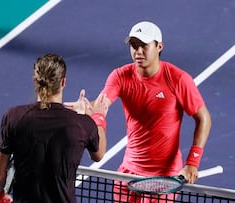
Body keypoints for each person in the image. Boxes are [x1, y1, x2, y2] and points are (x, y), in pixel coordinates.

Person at [66, 21, 212, 202]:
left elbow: (203, 118)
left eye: (144, 45)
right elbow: (102, 104)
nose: (138, 51)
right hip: (128, 175)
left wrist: (192, 162)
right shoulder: (120, 76)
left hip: (164, 178)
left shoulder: (178, 79)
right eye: (134, 46)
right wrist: (88, 109)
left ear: (159, 46)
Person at [0, 53, 109, 203]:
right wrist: (97, 117)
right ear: (63, 82)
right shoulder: (82, 124)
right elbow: (98, 155)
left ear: (35, 80)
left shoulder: (13, 117)